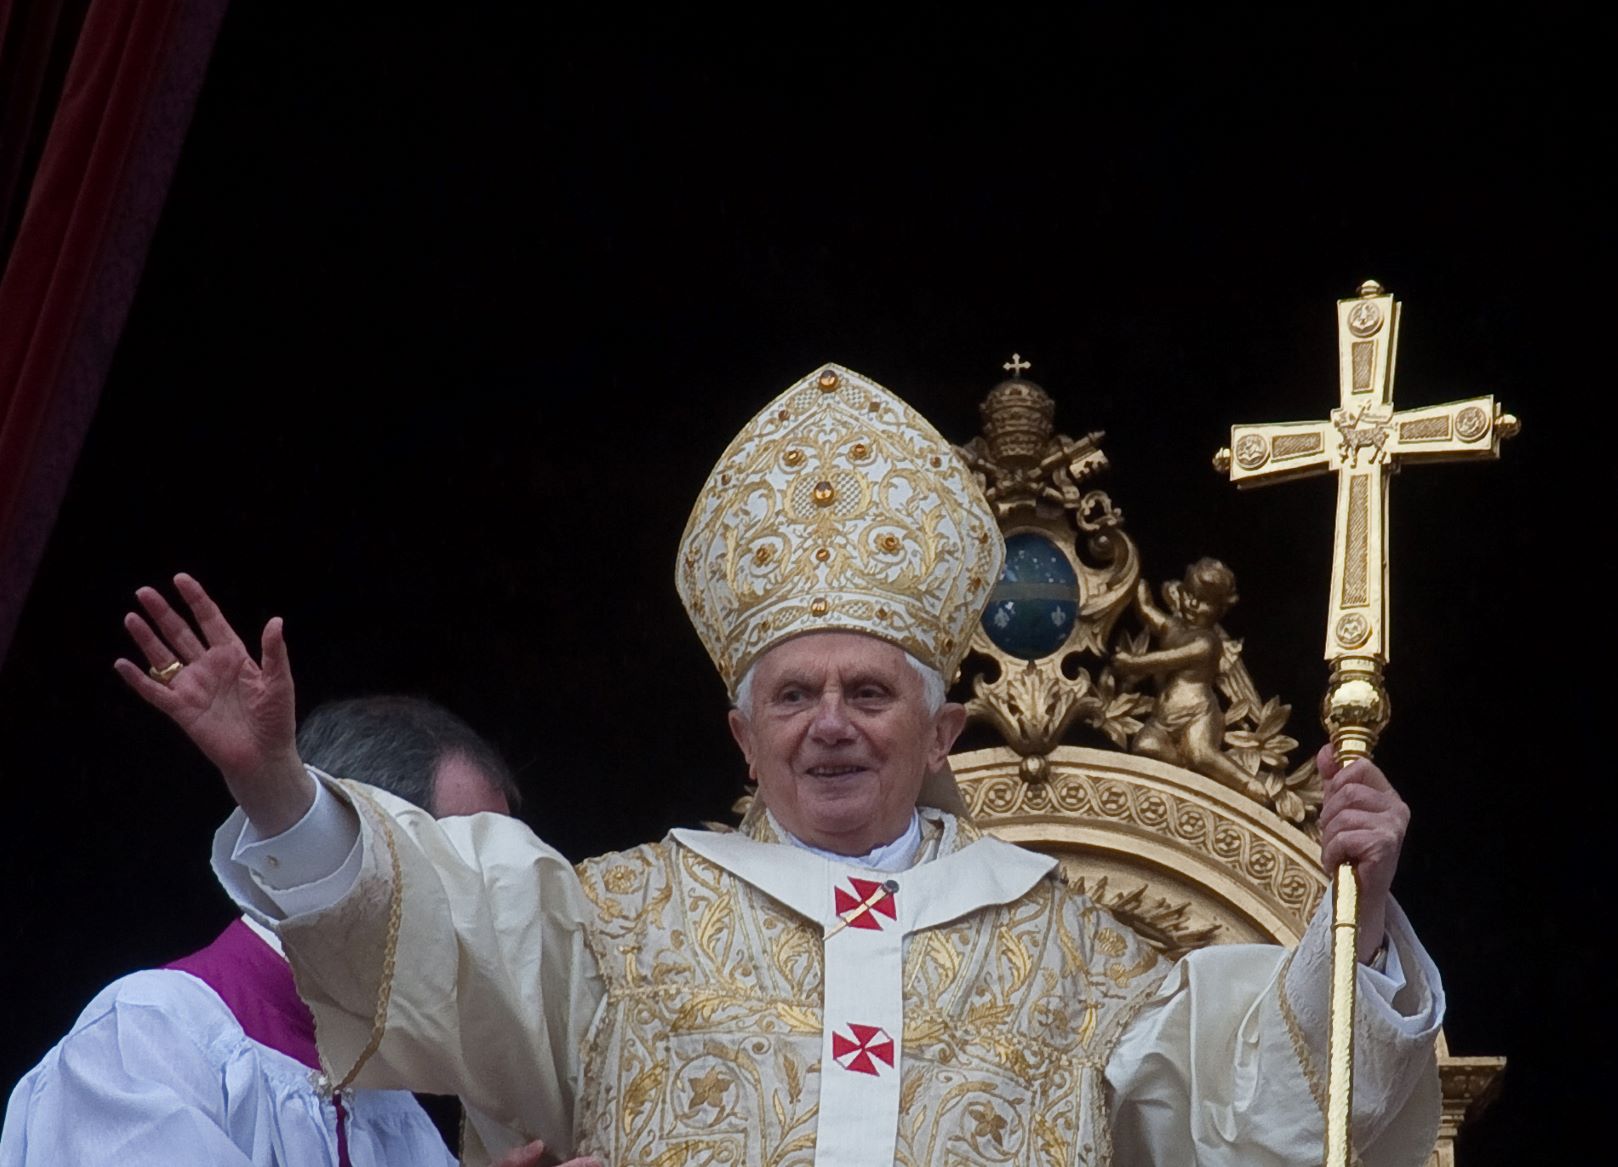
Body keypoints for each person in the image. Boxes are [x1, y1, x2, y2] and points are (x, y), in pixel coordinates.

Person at [113, 364, 1442, 1166]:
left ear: (944, 732)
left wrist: (1359, 903)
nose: (831, 722)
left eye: (870, 691)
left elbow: (1272, 1095)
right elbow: (413, 913)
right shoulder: (611, 918)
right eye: (791, 694)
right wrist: (277, 780)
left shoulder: (1081, 949)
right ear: (741, 734)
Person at [0, 695, 597, 1167]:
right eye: (468, 874)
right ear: (371, 851)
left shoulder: (398, 1109)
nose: (490, 916)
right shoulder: (151, 1035)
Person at [1113, 558, 1271, 801]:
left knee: (1202, 754)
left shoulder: (1207, 644)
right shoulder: (1174, 627)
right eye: (1188, 594)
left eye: (1204, 601)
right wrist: (1132, 577)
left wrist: (1131, 663)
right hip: (1164, 718)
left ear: (1221, 609)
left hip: (1199, 714)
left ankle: (1247, 785)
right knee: (1144, 746)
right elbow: (1146, 609)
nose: (1193, 603)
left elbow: (1165, 660)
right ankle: (1187, 771)